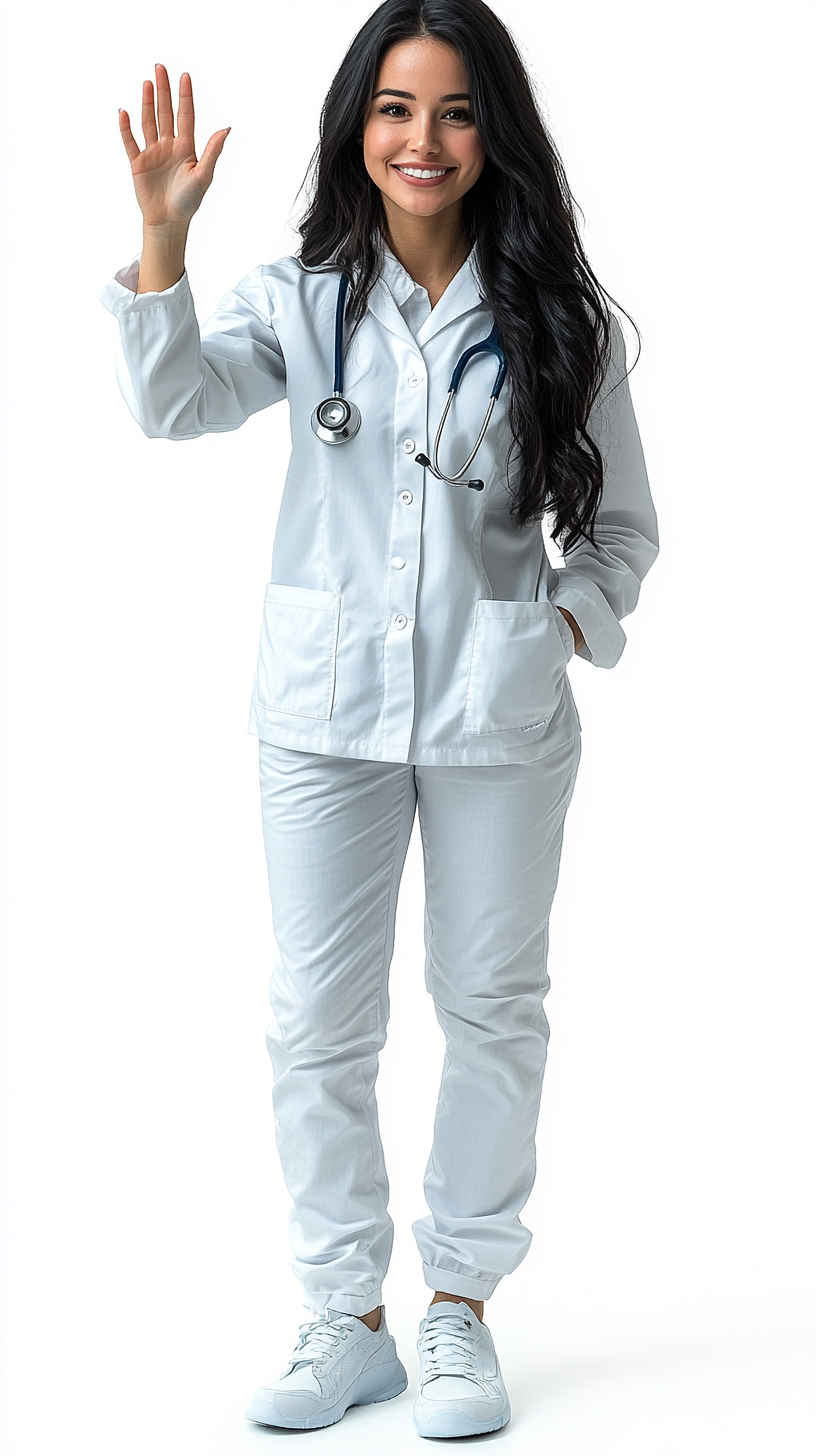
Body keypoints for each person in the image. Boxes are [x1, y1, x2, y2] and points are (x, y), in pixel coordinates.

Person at [99, 0, 658, 1437]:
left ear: (494, 134)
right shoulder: (302, 299)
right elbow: (175, 407)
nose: (425, 138)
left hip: (497, 718)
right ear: (360, 126)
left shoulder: (556, 317)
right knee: (316, 1024)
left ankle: (459, 1310)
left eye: (457, 110)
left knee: (491, 1012)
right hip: (322, 713)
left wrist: (558, 632)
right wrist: (164, 237)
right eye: (398, 108)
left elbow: (624, 535)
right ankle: (345, 1318)